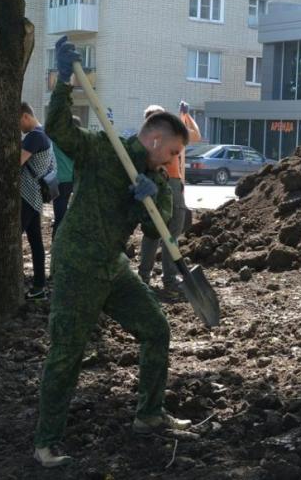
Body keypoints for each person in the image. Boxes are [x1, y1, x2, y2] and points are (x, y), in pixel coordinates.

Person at [33, 37, 192, 468]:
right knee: (67, 350)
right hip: (78, 263)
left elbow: (156, 222)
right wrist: (63, 81)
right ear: (155, 139)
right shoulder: (103, 150)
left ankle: (149, 414)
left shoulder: (154, 178)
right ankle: (46, 441)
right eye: (174, 152)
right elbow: (59, 131)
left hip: (113, 266)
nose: (173, 161)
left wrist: (148, 197)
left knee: (157, 329)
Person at [137, 103, 199, 291]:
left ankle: (148, 277)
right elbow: (194, 135)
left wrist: (185, 117)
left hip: (173, 183)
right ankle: (164, 278)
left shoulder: (159, 136)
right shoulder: (156, 139)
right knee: (159, 231)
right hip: (166, 183)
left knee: (163, 231)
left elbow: (195, 136)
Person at [20, 102, 56, 300]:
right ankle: (39, 287)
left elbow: (16, 161)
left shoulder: (35, 136)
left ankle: (34, 286)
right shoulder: (44, 134)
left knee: (14, 238)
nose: (19, 128)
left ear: (26, 116)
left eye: (19, 122)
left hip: (27, 195)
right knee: (36, 243)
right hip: (35, 197)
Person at [47, 115, 80, 280]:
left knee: (60, 220)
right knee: (66, 221)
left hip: (60, 184)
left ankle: (56, 264)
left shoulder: (57, 140)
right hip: (71, 183)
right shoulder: (77, 143)